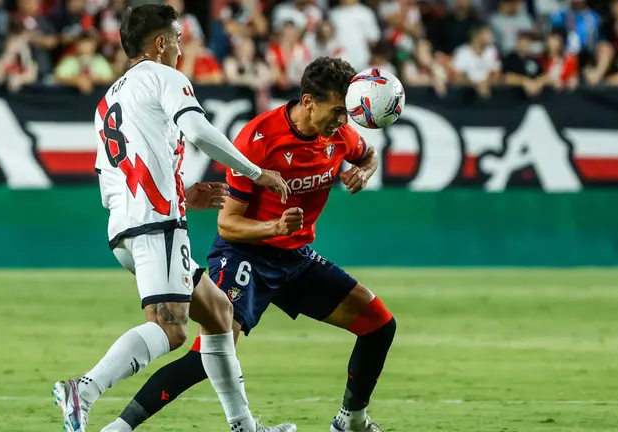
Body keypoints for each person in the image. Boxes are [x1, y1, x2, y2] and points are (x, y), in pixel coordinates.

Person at [108, 57, 396, 432]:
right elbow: (227, 225)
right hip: (244, 257)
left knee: (379, 325)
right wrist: (274, 226)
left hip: (295, 258)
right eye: (338, 111)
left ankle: (351, 420)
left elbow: (368, 154)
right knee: (208, 354)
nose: (344, 120)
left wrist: (364, 171)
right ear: (308, 101)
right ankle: (120, 426)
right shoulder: (259, 140)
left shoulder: (339, 135)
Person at [51, 5, 295, 432]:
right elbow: (199, 132)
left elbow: (113, 176)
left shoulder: (109, 99)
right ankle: (83, 389)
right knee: (172, 328)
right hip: (156, 225)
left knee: (218, 313)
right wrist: (256, 173)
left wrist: (185, 194)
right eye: (178, 39)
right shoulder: (166, 77)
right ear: (160, 43)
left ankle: (245, 428)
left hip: (127, 224)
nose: (182, 49)